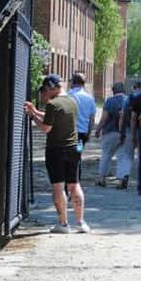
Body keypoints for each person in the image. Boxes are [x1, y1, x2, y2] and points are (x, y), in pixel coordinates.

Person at [24, 75, 89, 233]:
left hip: (56, 150)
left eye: (45, 90)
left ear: (52, 87)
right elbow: (54, 117)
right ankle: (81, 223)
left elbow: (46, 127)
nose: (44, 94)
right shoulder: (72, 101)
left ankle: (63, 224)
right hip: (74, 148)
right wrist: (35, 110)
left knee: (58, 187)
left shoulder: (52, 104)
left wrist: (32, 116)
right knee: (74, 185)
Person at [95, 82, 132, 189]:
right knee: (124, 156)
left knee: (106, 155)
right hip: (126, 133)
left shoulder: (110, 101)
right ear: (124, 90)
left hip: (110, 132)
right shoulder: (129, 100)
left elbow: (104, 118)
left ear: (113, 91)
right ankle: (122, 179)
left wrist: (98, 130)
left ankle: (102, 179)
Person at [69, 72, 97, 149]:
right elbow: (92, 118)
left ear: (73, 82)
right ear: (84, 83)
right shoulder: (89, 98)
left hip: (68, 133)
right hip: (82, 133)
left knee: (67, 155)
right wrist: (89, 133)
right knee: (78, 152)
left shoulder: (68, 96)